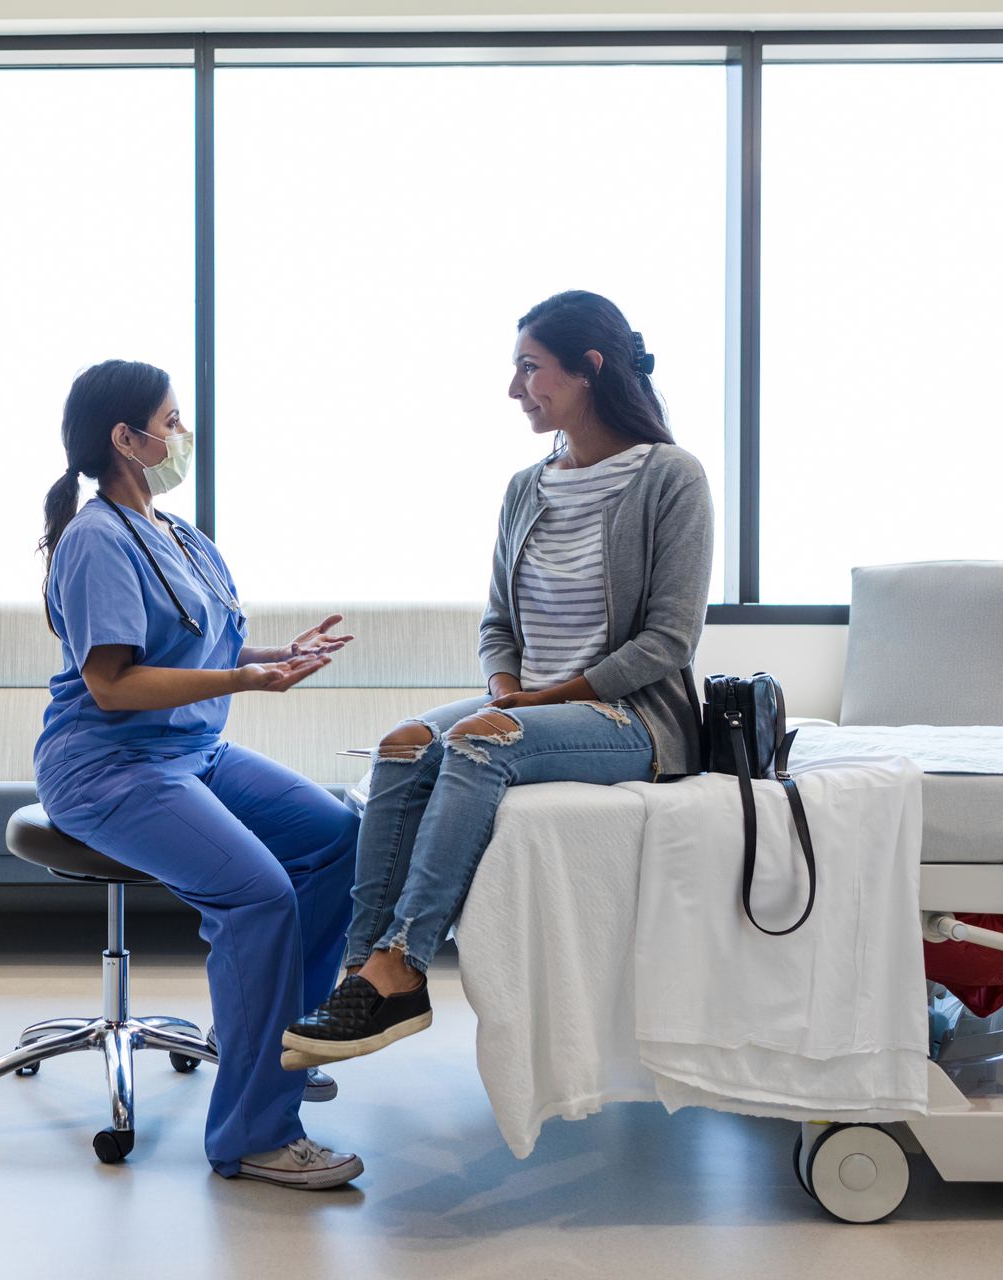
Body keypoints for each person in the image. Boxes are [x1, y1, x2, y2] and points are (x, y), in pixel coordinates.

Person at [282, 291, 715, 1067]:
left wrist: (533, 702)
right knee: (403, 744)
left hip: (630, 717)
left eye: (529, 369)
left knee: (482, 742)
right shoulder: (527, 487)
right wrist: (507, 681)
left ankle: (405, 963)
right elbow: (496, 622)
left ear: (590, 368)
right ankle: (363, 973)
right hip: (530, 701)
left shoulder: (671, 479)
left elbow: (668, 642)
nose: (516, 390)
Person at [35, 359, 364, 1190]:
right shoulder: (96, 539)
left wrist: (273, 655)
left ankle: (272, 1042)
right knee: (261, 895)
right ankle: (254, 1133)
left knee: (339, 840)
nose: (182, 436)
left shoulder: (179, 533)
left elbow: (200, 646)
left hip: (192, 753)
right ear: (125, 438)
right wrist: (243, 682)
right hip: (110, 767)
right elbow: (113, 685)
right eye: (171, 421)